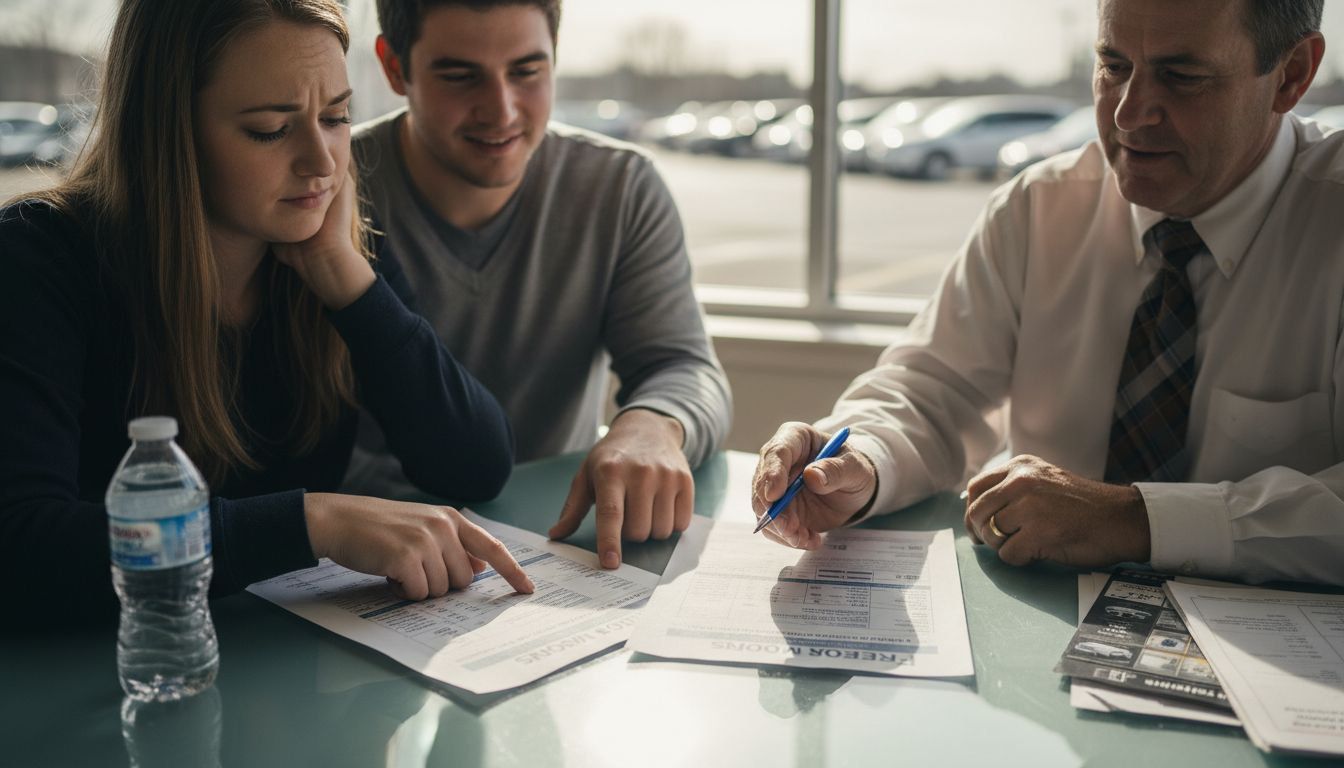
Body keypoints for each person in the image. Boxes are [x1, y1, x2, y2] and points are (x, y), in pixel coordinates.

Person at [752, 0, 1344, 586]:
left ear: (1291, 75)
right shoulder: (1038, 206)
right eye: (1113, 66)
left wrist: (1135, 520)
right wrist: (860, 459)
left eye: (1182, 76)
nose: (1128, 113)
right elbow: (933, 390)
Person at [0, 0, 536, 626]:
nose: (323, 162)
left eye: (336, 117)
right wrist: (312, 522)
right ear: (168, 130)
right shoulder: (38, 260)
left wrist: (346, 279)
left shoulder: (330, 244)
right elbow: (21, 545)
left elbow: (475, 465)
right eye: (270, 129)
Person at [347, 0, 732, 569]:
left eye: (527, 71)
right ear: (394, 67)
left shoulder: (619, 188)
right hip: (359, 554)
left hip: (557, 543)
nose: (501, 110)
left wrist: (653, 425)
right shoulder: (325, 185)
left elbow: (684, 365)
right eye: (460, 76)